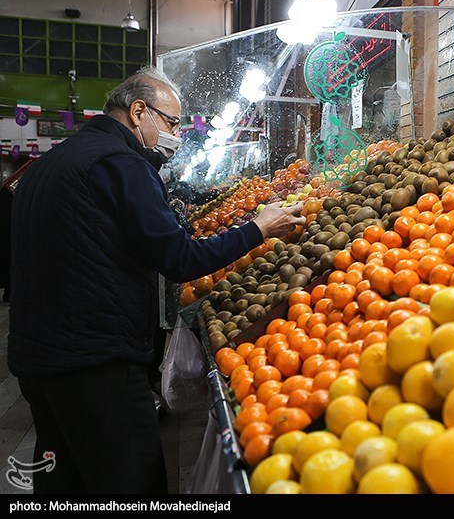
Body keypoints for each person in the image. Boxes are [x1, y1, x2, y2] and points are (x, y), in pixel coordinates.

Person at [8, 66, 305, 494]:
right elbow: (178, 257)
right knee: (131, 483)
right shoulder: (121, 163)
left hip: (37, 358)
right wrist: (256, 230)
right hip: (96, 363)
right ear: (138, 111)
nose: (177, 135)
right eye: (171, 123)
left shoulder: (48, 164)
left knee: (64, 480)